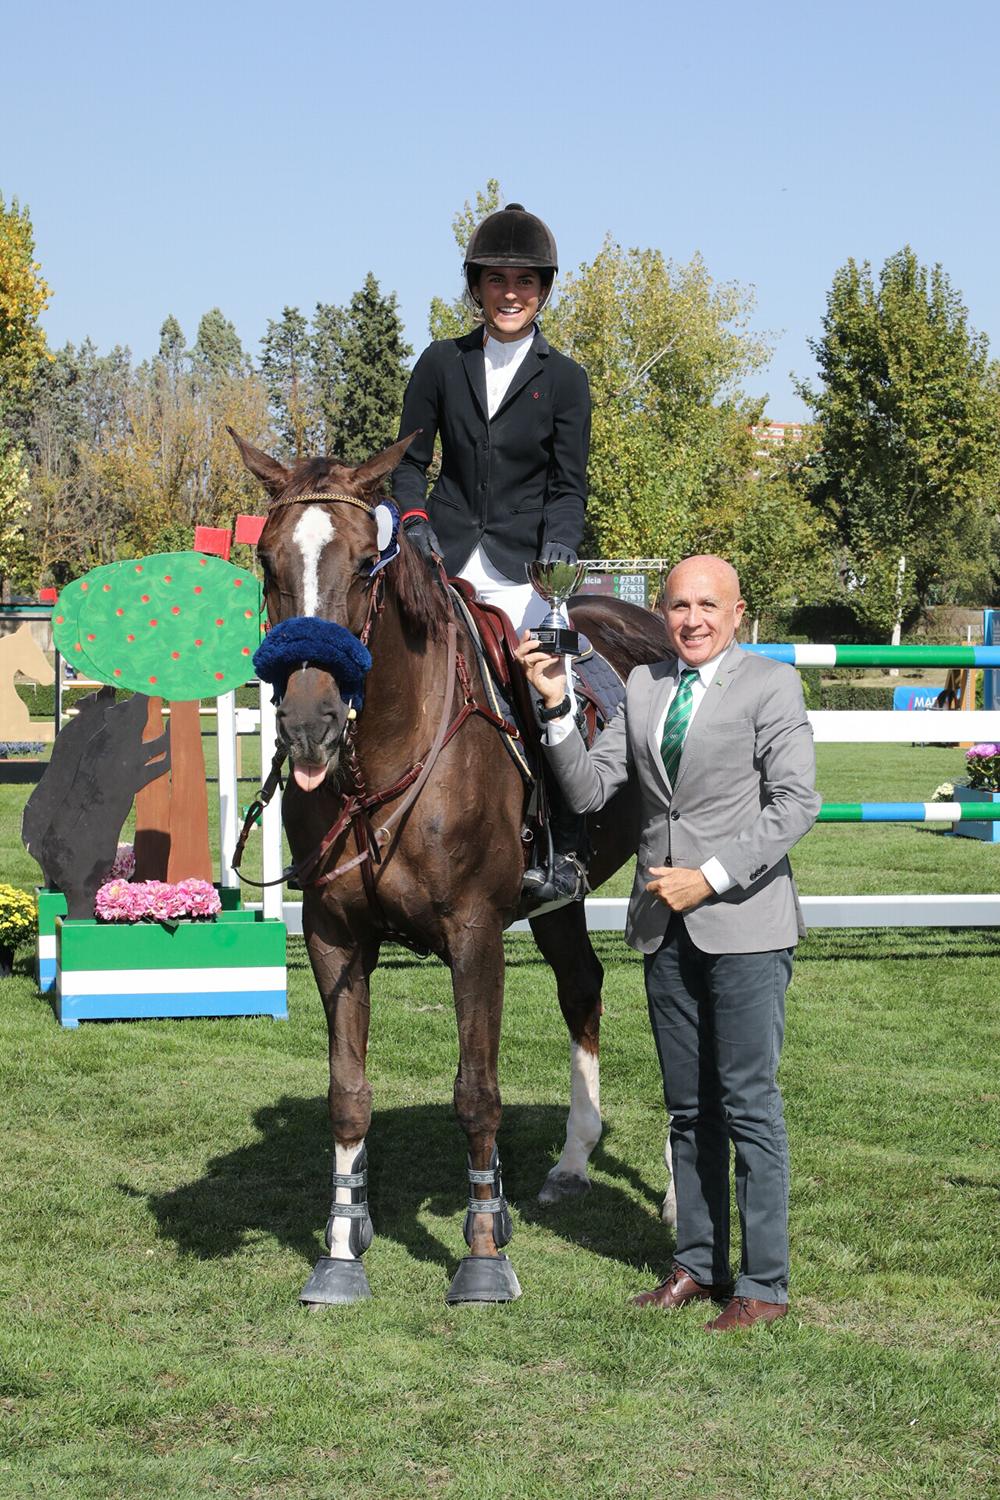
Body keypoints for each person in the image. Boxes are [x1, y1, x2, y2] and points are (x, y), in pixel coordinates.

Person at [516, 555, 820, 1330]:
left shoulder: (771, 685)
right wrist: (555, 708)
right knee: (687, 1109)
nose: (692, 619)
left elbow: (794, 804)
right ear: (663, 610)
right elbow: (587, 790)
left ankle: (763, 1286)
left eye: (708, 605)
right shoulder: (646, 686)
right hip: (662, 929)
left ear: (738, 612)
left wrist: (708, 877)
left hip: (746, 925)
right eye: (679, 605)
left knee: (748, 1105)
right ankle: (695, 1264)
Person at [392, 202, 592, 906]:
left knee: (547, 686)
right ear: (476, 287)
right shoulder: (441, 362)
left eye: (526, 281)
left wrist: (558, 546)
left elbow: (569, 485)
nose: (511, 292)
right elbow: (410, 463)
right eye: (497, 279)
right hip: (440, 553)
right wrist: (413, 520)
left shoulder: (565, 379)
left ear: (543, 290)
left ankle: (559, 848)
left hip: (522, 564)